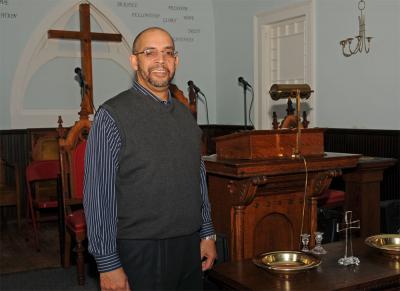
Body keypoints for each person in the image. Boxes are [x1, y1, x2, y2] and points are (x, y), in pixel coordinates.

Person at [83, 27, 217, 291]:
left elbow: (197, 178)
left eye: (168, 53)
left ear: (176, 61)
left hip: (188, 245)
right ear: (135, 61)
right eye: (150, 53)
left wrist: (207, 233)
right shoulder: (112, 115)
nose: (160, 60)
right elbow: (99, 193)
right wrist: (108, 263)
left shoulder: (185, 116)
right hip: (138, 248)